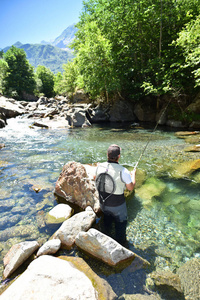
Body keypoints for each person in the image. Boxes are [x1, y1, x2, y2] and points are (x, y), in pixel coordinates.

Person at [95, 144, 136, 247]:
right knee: (121, 226)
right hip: (118, 207)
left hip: (103, 204)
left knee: (107, 221)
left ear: (107, 155)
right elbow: (130, 188)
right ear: (119, 156)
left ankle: (105, 239)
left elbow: (95, 177)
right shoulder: (124, 171)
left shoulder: (99, 166)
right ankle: (121, 245)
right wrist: (133, 175)